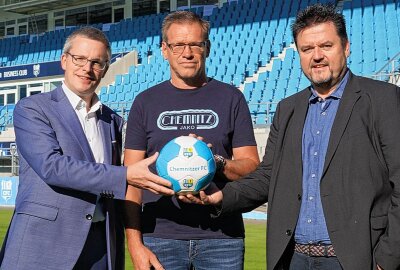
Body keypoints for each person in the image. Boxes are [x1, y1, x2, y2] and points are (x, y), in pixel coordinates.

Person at [181, 3, 400, 270]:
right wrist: (220, 197)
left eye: (326, 46)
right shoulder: (288, 109)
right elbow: (267, 177)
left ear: (346, 47)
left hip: (355, 259)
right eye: (307, 49)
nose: (316, 56)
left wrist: (387, 260)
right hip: (294, 258)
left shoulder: (383, 99)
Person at [0, 26, 174, 270]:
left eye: (97, 62)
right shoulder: (32, 109)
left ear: (105, 69)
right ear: (64, 60)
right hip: (45, 243)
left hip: (100, 246)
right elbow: (52, 167)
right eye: (79, 59)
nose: (87, 68)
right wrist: (125, 175)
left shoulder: (112, 120)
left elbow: (113, 183)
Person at [124, 11, 260, 270]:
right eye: (178, 45)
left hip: (222, 238)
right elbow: (130, 180)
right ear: (165, 49)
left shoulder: (231, 98)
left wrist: (217, 162)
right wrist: (135, 244)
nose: (187, 53)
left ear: (206, 48)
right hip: (159, 237)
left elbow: (252, 168)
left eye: (195, 44)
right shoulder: (145, 102)